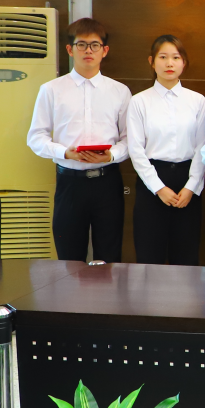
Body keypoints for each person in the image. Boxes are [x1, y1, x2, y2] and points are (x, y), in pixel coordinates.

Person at [27, 17, 131, 263]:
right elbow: (36, 137)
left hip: (107, 182)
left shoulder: (120, 91)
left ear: (105, 50)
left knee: (110, 257)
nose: (88, 51)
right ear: (70, 49)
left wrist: (111, 155)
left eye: (95, 45)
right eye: (81, 44)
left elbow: (130, 139)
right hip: (69, 183)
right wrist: (65, 152)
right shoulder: (51, 89)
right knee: (69, 259)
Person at [127, 35, 205, 266]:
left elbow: (203, 146)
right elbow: (136, 150)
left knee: (186, 257)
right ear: (152, 62)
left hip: (187, 181)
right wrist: (158, 188)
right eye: (163, 57)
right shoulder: (139, 101)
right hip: (152, 181)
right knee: (149, 257)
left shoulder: (197, 101)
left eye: (175, 57)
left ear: (184, 63)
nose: (169, 63)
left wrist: (191, 187)